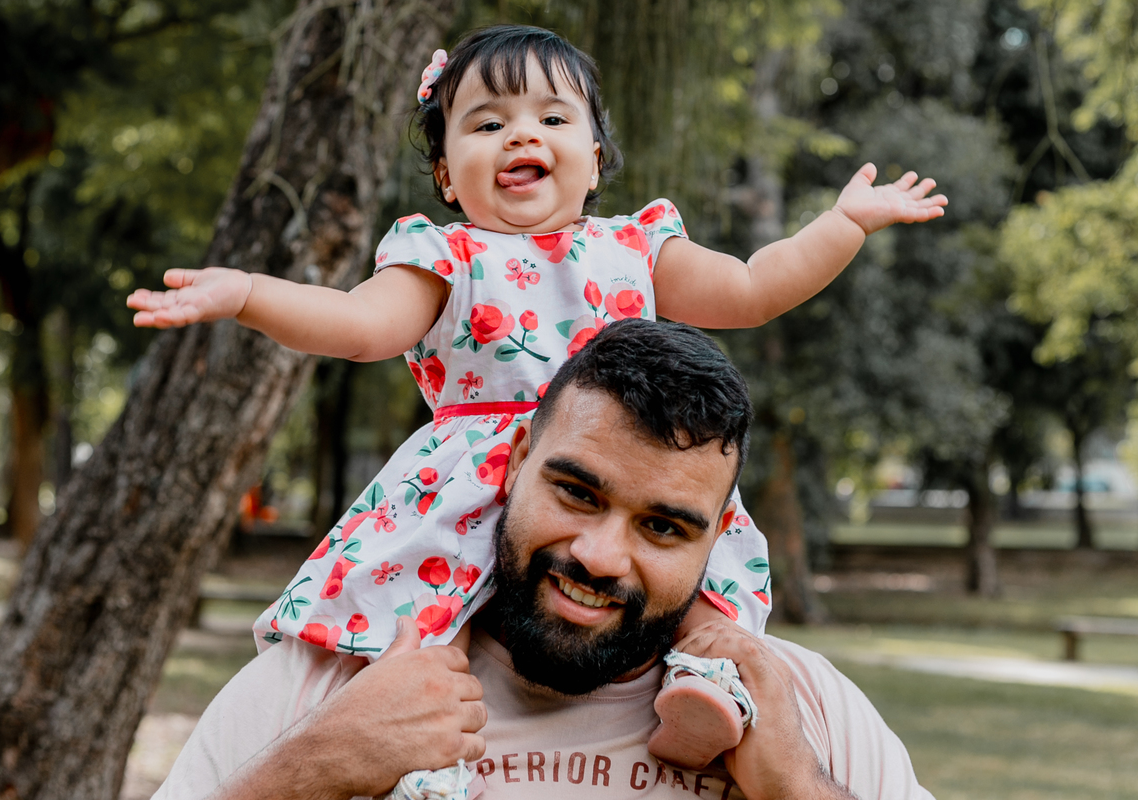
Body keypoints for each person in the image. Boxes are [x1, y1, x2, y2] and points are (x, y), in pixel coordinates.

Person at [128, 24, 947, 780]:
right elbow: (354, 325)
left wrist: (842, 225)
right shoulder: (442, 257)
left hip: (618, 466)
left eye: (553, 119)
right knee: (428, 636)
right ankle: (425, 761)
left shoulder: (635, 246)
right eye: (486, 124)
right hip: (473, 491)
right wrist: (245, 294)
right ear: (448, 174)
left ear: (594, 158)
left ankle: (706, 697)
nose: (521, 135)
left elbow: (752, 287)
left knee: (686, 593)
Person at [155, 320, 934, 800]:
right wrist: (313, 768)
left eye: (663, 528)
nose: (599, 557)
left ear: (718, 533)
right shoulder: (328, 690)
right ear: (517, 457)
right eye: (577, 493)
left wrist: (796, 787)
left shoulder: (802, 713)